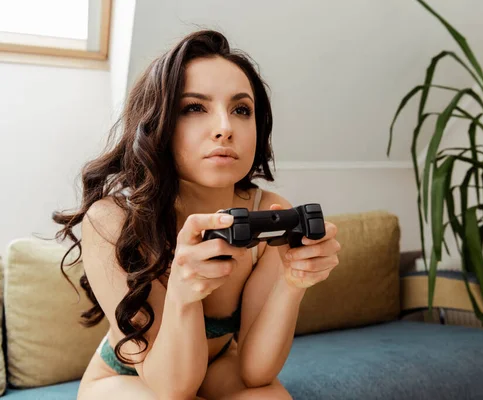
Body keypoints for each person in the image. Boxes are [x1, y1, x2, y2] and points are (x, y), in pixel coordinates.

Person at [52, 29, 341, 400]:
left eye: (241, 110)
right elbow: (173, 388)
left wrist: (292, 284)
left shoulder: (268, 211)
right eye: (193, 108)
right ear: (158, 124)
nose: (224, 128)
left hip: (218, 365)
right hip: (132, 377)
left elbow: (255, 372)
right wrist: (182, 296)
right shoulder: (112, 221)